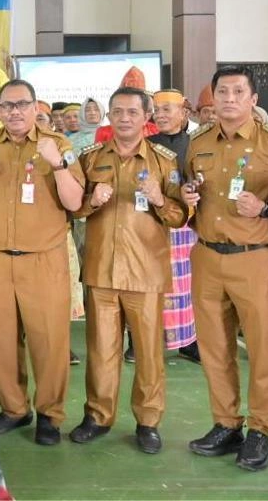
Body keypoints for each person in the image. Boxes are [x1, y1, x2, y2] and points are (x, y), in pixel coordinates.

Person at [0, 79, 85, 446]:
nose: (14, 112)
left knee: (49, 341)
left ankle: (49, 413)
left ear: (34, 107)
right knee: (1, 339)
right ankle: (14, 408)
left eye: (21, 104)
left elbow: (75, 202)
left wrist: (57, 164)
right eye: (7, 106)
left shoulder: (58, 145)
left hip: (43, 260)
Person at [181, 65, 268, 472]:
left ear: (254, 99)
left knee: (262, 347)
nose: (229, 99)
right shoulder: (198, 143)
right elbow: (190, 188)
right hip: (207, 255)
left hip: (254, 257)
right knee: (214, 348)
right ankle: (226, 424)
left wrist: (266, 207)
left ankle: (261, 430)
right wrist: (185, 192)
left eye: (237, 92)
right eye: (222, 91)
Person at [69, 87, 186, 454]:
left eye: (132, 112)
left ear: (145, 116)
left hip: (145, 271)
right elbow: (72, 209)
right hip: (101, 269)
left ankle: (148, 421)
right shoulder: (90, 159)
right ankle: (98, 416)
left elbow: (181, 215)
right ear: (109, 115)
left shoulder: (165, 162)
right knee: (101, 350)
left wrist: (159, 199)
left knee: (149, 353)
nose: (123, 118)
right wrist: (91, 201)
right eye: (117, 111)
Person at [147, 89, 201, 363]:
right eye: (157, 109)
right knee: (150, 282)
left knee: (186, 287)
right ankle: (141, 340)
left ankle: (190, 342)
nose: (161, 114)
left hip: (186, 225)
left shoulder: (197, 144)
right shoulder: (145, 145)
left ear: (184, 113)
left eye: (167, 109)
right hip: (152, 222)